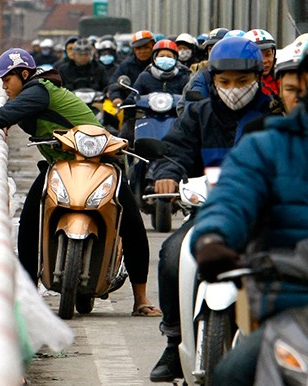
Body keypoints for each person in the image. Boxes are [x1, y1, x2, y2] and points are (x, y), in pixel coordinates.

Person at [0, 48, 161, 317]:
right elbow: (7, 117)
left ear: (24, 75)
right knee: (29, 223)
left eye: (7, 80)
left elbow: (0, 117)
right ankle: (28, 294)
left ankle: (140, 298)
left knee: (130, 222)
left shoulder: (38, 92)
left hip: (100, 162)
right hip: (60, 165)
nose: (4, 86)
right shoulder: (29, 96)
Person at [148, 37, 275, 383]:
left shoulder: (275, 115)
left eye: (242, 81)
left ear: (258, 78)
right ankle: (174, 343)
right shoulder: (197, 114)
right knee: (173, 255)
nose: (233, 89)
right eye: (225, 81)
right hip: (209, 212)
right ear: (213, 79)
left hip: (264, 218)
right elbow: (173, 152)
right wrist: (167, 177)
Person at [190, 48, 308, 386]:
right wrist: (213, 237)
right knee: (231, 373)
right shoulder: (266, 146)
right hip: (291, 305)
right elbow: (231, 199)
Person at [120, 39, 190, 143]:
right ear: (154, 58)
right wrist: (129, 102)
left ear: (175, 59)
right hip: (147, 117)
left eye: (169, 56)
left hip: (177, 119)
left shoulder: (184, 76)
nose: (165, 59)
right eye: (161, 56)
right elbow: (134, 94)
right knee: (126, 133)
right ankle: (128, 157)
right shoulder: (144, 76)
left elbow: (189, 96)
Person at [108, 30, 155, 107]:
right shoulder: (126, 65)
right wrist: (116, 98)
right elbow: (113, 84)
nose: (142, 51)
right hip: (133, 107)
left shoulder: (161, 64)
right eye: (138, 48)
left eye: (146, 47)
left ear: (154, 47)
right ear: (133, 50)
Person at [244, 28, 279, 95]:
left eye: (268, 54)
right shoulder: (242, 85)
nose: (264, 61)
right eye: (258, 55)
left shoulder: (281, 79)